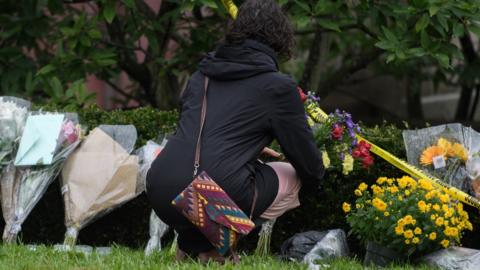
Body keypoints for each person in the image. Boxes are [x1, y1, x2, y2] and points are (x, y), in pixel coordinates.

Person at [146, 0, 324, 263]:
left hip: (160, 189)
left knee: (221, 175)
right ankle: (212, 247)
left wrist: (248, 149)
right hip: (212, 192)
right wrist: (317, 184)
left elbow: (194, 131)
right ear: (280, 37)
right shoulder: (278, 86)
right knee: (293, 176)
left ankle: (191, 245)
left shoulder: (200, 76)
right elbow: (307, 162)